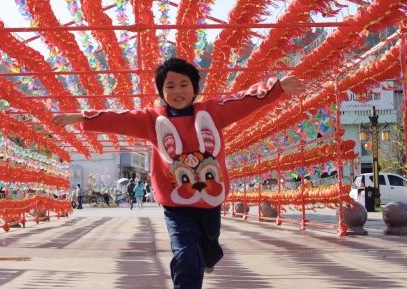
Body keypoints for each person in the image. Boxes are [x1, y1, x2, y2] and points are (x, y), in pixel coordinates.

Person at [52, 57, 302, 288]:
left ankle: (210, 256)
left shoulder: (212, 113)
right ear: (161, 91)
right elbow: (120, 118)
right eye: (170, 86)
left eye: (184, 84)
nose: (177, 91)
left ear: (195, 88)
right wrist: (80, 117)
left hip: (210, 197)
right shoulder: (151, 119)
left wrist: (278, 87)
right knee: (185, 253)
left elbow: (243, 101)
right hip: (176, 201)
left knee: (209, 247)